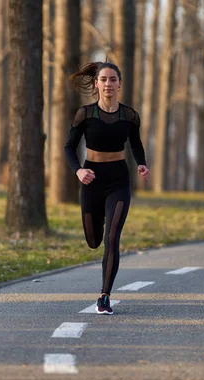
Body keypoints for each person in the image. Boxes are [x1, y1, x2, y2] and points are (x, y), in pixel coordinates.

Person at [65, 62, 150, 315]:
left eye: (113, 79)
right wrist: (79, 170)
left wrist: (142, 164)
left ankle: (104, 296)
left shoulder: (130, 116)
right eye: (103, 79)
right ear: (97, 84)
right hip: (92, 180)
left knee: (112, 238)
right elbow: (69, 147)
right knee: (94, 241)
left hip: (118, 181)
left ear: (120, 84)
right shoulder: (85, 114)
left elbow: (135, 144)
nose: (108, 84)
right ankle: (100, 216)